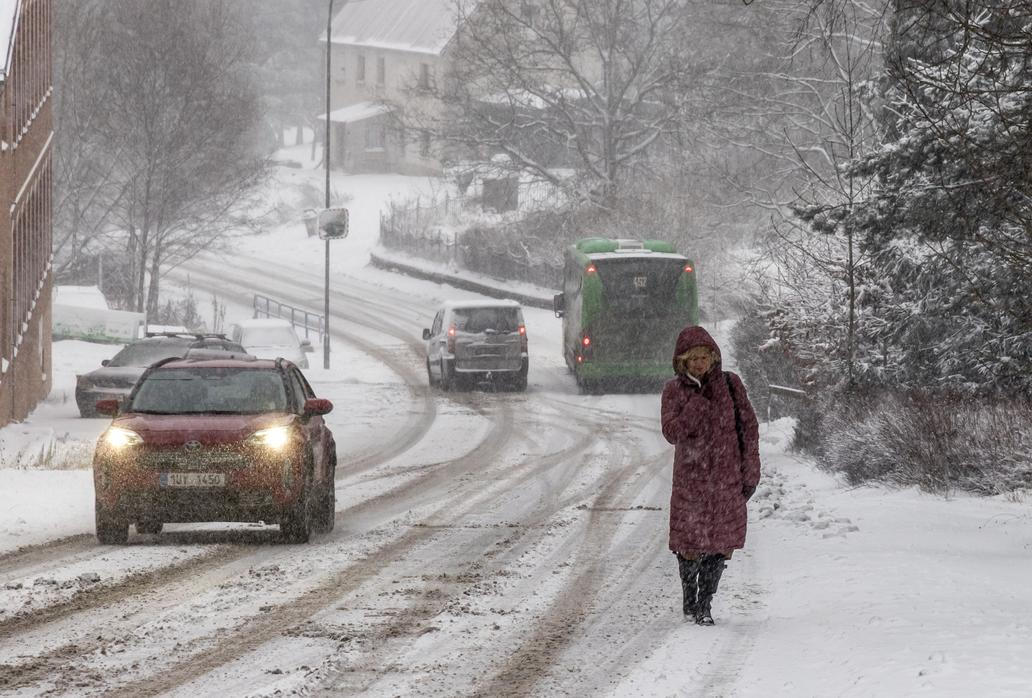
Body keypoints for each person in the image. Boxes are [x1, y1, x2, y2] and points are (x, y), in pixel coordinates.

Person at [661, 325, 760, 625]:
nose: (700, 364)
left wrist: (750, 472)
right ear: (683, 362)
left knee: (720, 545)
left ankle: (705, 604)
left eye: (704, 357)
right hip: (690, 483)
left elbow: (749, 429)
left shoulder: (730, 385)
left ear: (713, 358)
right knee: (688, 546)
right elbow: (671, 432)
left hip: (725, 481)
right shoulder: (674, 391)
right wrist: (696, 404)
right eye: (693, 359)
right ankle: (690, 599)